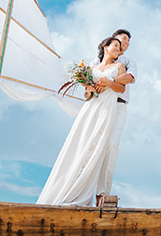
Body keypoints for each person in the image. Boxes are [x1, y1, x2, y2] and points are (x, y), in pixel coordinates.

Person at [37, 36, 132, 206]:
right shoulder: (92, 67)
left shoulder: (119, 66)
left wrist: (109, 82)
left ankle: (86, 190)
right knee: (80, 143)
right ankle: (66, 186)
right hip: (90, 109)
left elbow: (122, 88)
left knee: (96, 146)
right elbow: (87, 94)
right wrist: (88, 89)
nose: (118, 49)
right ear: (105, 47)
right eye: (115, 45)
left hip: (106, 109)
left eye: (120, 47)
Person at [90, 29, 136, 206]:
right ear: (111, 41)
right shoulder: (96, 61)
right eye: (123, 39)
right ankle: (85, 188)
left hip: (118, 105)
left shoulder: (128, 62)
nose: (126, 43)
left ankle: (102, 193)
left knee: (111, 144)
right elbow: (88, 80)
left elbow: (128, 79)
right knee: (92, 145)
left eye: (128, 41)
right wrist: (96, 83)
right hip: (98, 105)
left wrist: (107, 81)